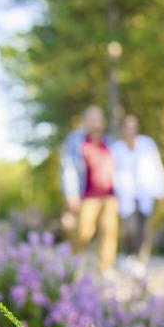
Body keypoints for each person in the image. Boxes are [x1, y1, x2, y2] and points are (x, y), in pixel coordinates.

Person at [60, 105, 118, 274]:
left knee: (109, 233)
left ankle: (105, 267)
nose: (95, 123)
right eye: (91, 119)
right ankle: (74, 264)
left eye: (98, 119)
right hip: (86, 196)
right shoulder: (75, 141)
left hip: (109, 196)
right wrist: (71, 193)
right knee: (82, 233)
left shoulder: (110, 142)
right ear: (85, 121)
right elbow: (68, 168)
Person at [111, 114, 164, 278]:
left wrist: (159, 190)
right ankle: (128, 256)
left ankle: (139, 260)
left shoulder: (147, 144)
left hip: (145, 193)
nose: (130, 130)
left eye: (133, 126)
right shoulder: (116, 148)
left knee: (143, 229)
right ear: (122, 129)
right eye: (127, 127)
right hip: (125, 194)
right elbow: (112, 173)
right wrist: (113, 195)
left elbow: (157, 166)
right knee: (129, 228)